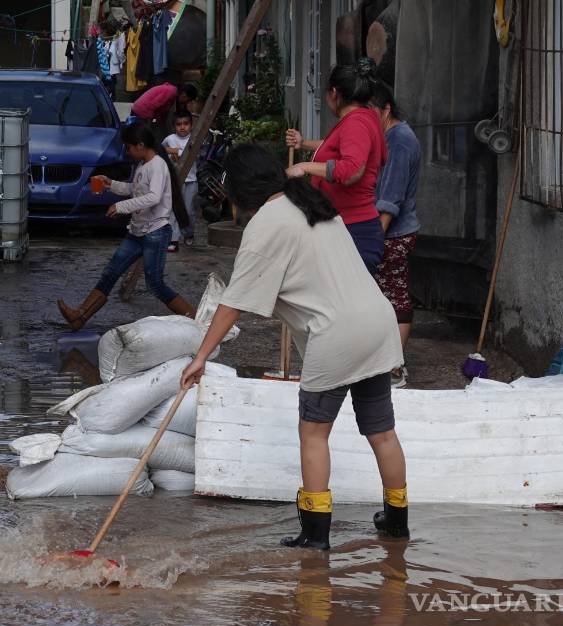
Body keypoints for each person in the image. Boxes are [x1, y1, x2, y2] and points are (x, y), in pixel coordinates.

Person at [181, 145, 409, 550]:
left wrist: (200, 357)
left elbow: (233, 302)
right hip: (377, 322)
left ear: (240, 190)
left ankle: (316, 534)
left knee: (314, 434)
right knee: (382, 432)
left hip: (336, 336)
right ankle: (396, 521)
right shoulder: (311, 202)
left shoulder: (266, 224)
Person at [57, 121, 194, 329]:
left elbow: (153, 197)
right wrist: (110, 184)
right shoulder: (143, 165)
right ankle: (80, 316)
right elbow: (134, 189)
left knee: (155, 284)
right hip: (138, 231)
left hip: (155, 231)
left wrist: (122, 206)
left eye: (128, 147)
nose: (127, 152)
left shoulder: (157, 165)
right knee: (110, 272)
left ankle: (195, 319)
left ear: (140, 145)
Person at [284, 58, 388, 274]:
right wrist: (304, 143)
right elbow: (337, 148)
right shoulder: (362, 119)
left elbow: (351, 170)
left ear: (334, 93)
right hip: (349, 226)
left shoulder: (356, 123)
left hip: (354, 230)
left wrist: (305, 167)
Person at [369, 82, 422, 388]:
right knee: (385, 295)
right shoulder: (388, 136)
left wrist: (376, 238)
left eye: (371, 112)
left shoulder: (400, 141)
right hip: (389, 231)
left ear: (386, 110)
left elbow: (391, 197)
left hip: (394, 233)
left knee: (395, 297)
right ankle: (384, 362)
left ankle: (395, 367)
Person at [163, 109, 198, 248]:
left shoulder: (194, 138)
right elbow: (159, 149)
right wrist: (170, 151)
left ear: (191, 124)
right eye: (179, 124)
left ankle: (188, 233)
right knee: (175, 209)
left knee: (189, 210)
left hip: (191, 180)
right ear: (174, 126)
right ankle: (174, 239)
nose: (182, 127)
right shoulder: (170, 139)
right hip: (176, 180)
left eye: (186, 123)